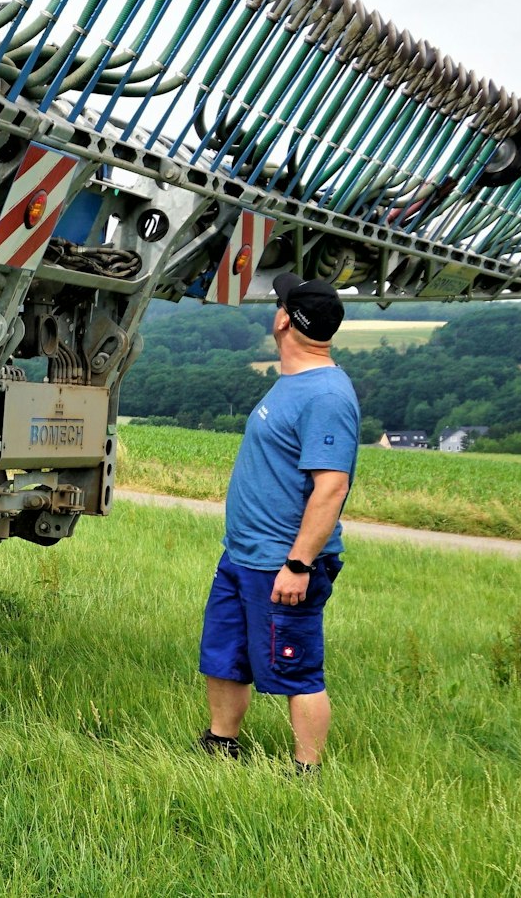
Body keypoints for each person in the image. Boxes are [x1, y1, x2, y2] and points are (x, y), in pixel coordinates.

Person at [197, 273, 357, 776]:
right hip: (243, 556)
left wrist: (298, 563)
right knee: (223, 656)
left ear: (285, 318)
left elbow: (331, 488)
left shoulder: (326, 395)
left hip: (283, 565)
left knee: (297, 668)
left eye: (280, 304)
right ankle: (221, 746)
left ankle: (305, 774)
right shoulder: (295, 381)